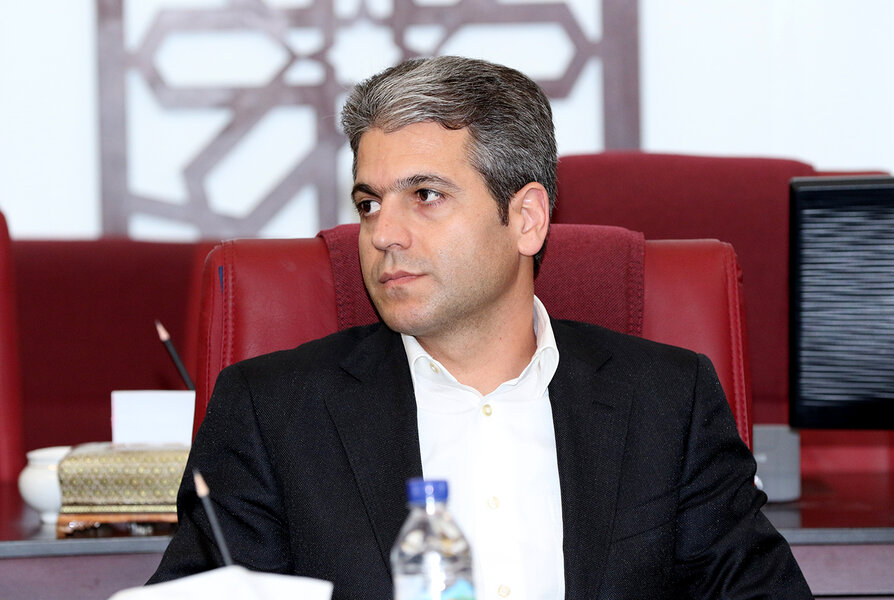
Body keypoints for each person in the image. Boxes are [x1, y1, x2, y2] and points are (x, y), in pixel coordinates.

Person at [149, 56, 812, 599]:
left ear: (526, 219)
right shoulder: (272, 412)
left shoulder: (666, 401)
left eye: (425, 196)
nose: (383, 233)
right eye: (369, 203)